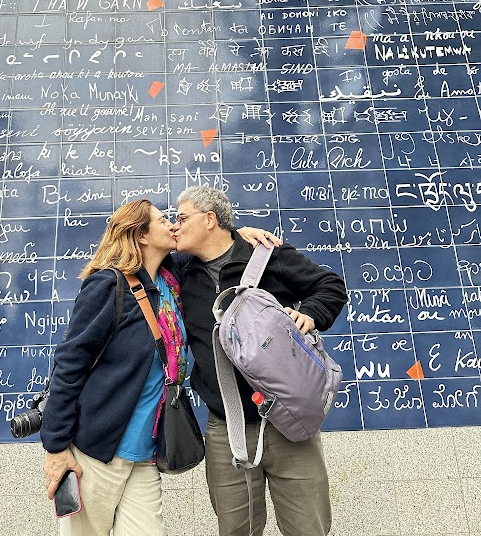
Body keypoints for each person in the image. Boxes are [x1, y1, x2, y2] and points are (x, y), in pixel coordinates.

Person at [40, 198, 280, 536]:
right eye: (163, 219)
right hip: (96, 452)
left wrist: (236, 233)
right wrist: (56, 449)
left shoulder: (171, 280)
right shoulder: (108, 286)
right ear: (140, 235)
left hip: (145, 455)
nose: (172, 224)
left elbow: (210, 244)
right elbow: (68, 365)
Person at [173, 186, 348, 536]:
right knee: (236, 530)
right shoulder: (178, 270)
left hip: (289, 425)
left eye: (180, 218)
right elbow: (137, 243)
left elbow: (330, 286)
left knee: (307, 528)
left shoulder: (267, 256)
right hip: (226, 431)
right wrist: (237, 229)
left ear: (209, 220)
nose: (174, 226)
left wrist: (310, 315)